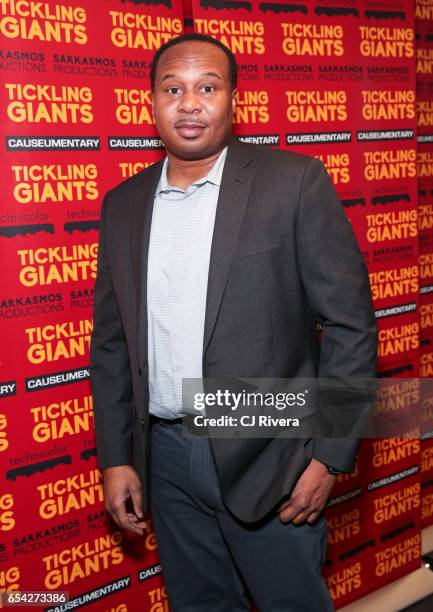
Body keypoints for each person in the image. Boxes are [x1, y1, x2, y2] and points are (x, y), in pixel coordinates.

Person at [90, 33, 377, 611]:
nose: (189, 103)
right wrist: (118, 457)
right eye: (173, 89)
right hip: (165, 457)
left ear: (233, 100)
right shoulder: (123, 205)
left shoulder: (293, 182)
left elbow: (351, 327)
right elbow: (113, 346)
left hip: (272, 451)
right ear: (151, 102)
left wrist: (328, 456)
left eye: (207, 87)